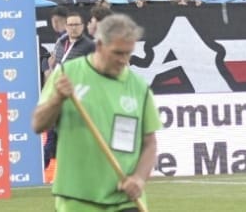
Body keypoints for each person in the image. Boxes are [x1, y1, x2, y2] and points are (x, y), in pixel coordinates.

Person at [31, 14, 160, 212]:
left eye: (128, 53)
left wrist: (139, 178)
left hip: (124, 200)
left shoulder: (139, 87)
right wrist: (57, 99)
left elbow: (149, 143)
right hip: (77, 200)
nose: (123, 60)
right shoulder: (68, 73)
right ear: (99, 45)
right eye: (117, 53)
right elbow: (38, 124)